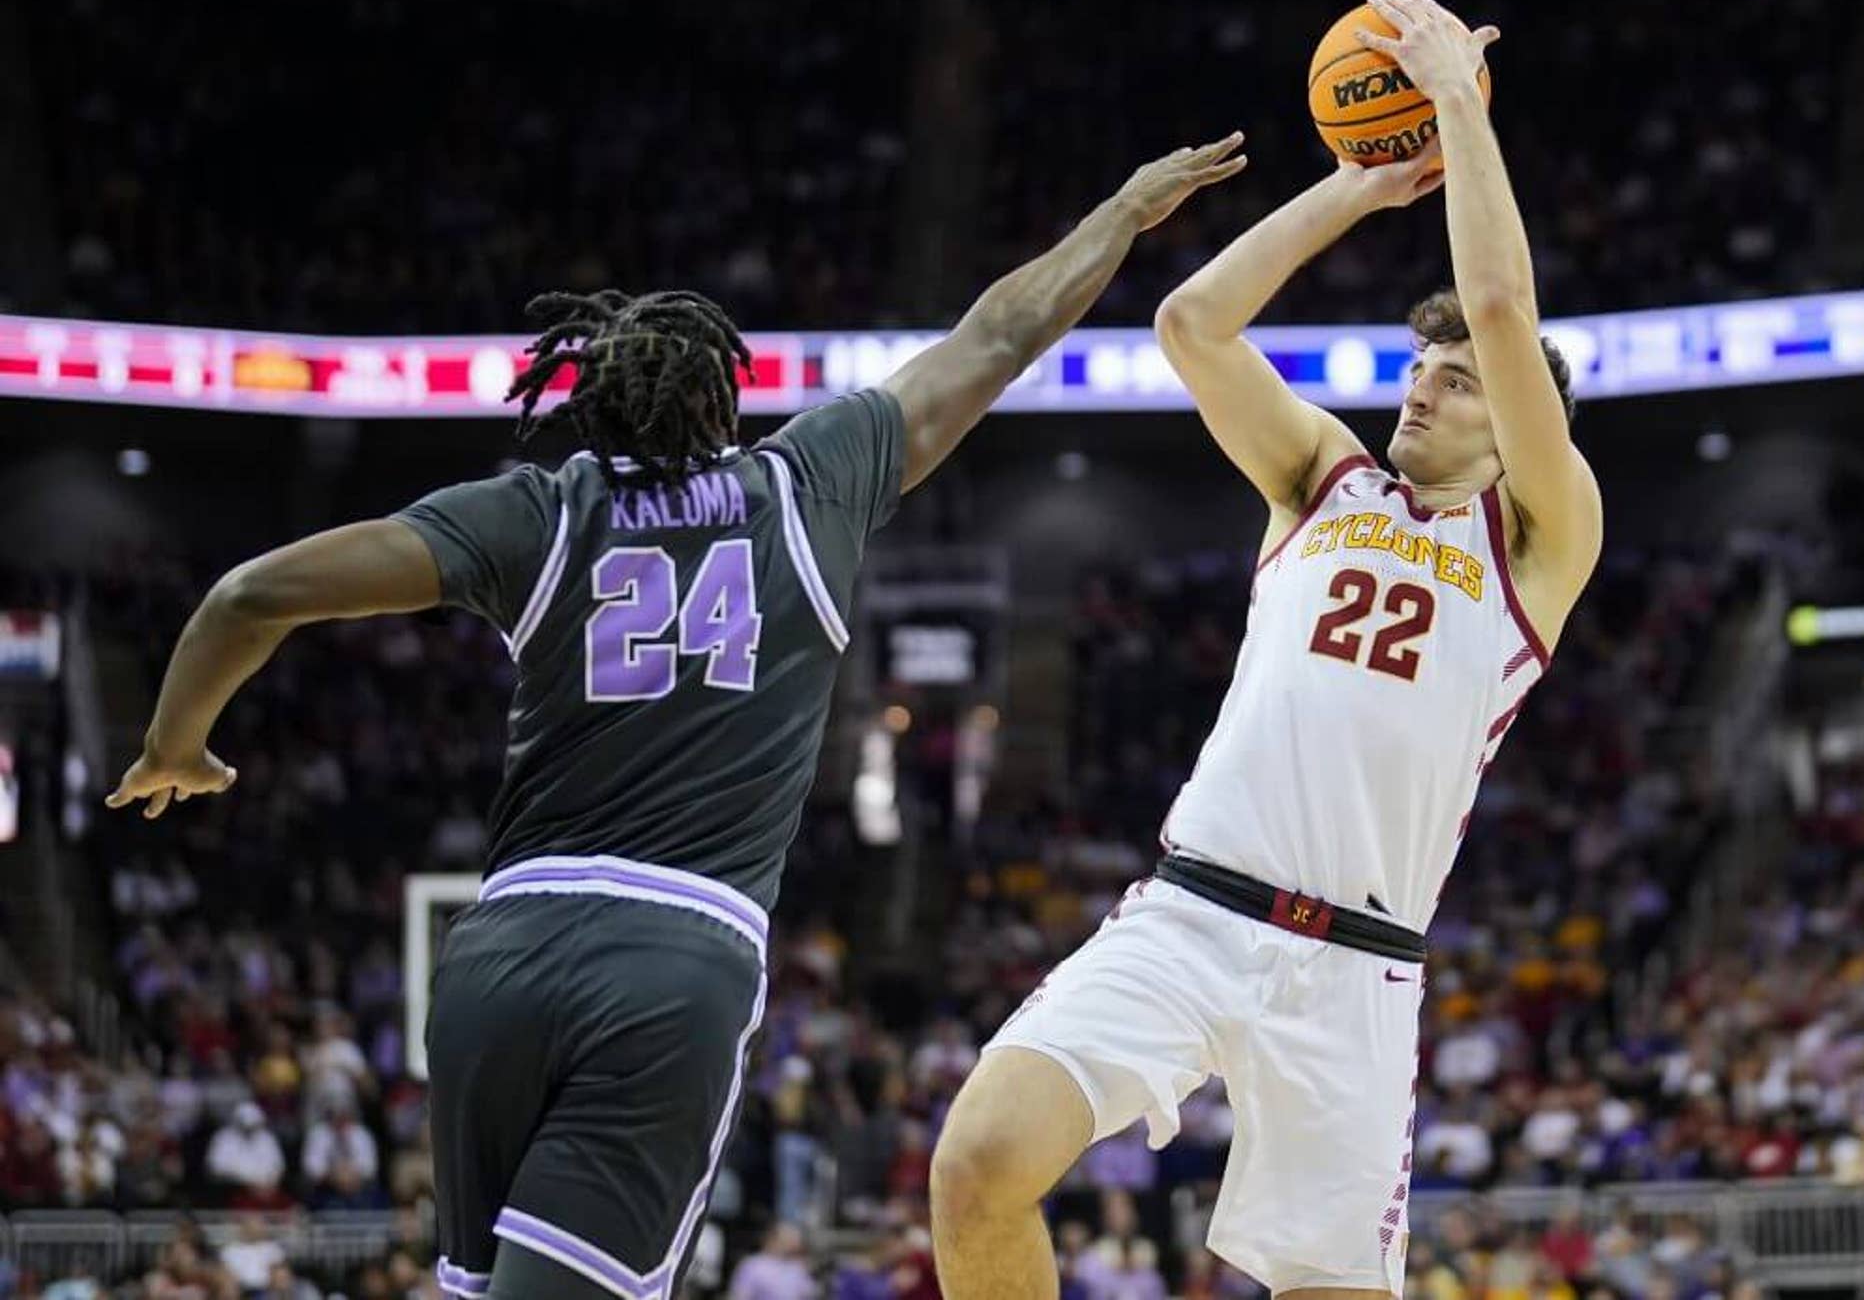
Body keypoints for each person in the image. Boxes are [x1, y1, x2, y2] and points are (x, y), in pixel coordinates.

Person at [106, 136, 1247, 1300]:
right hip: (674, 955)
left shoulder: (532, 515)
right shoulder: (805, 483)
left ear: (588, 403)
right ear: (726, 397)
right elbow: (1001, 334)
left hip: (500, 954)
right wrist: (1122, 209)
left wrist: (174, 744)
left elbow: (252, 594)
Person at [933, 0, 1603, 1300]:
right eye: (1419, 365)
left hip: (1356, 970)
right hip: (1194, 907)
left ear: (1524, 422)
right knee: (978, 1161)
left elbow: (1506, 310)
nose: (1423, 385)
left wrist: (1458, 105)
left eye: (1456, 380)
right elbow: (1191, 322)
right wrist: (1356, 188)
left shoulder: (1540, 542)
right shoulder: (1324, 479)